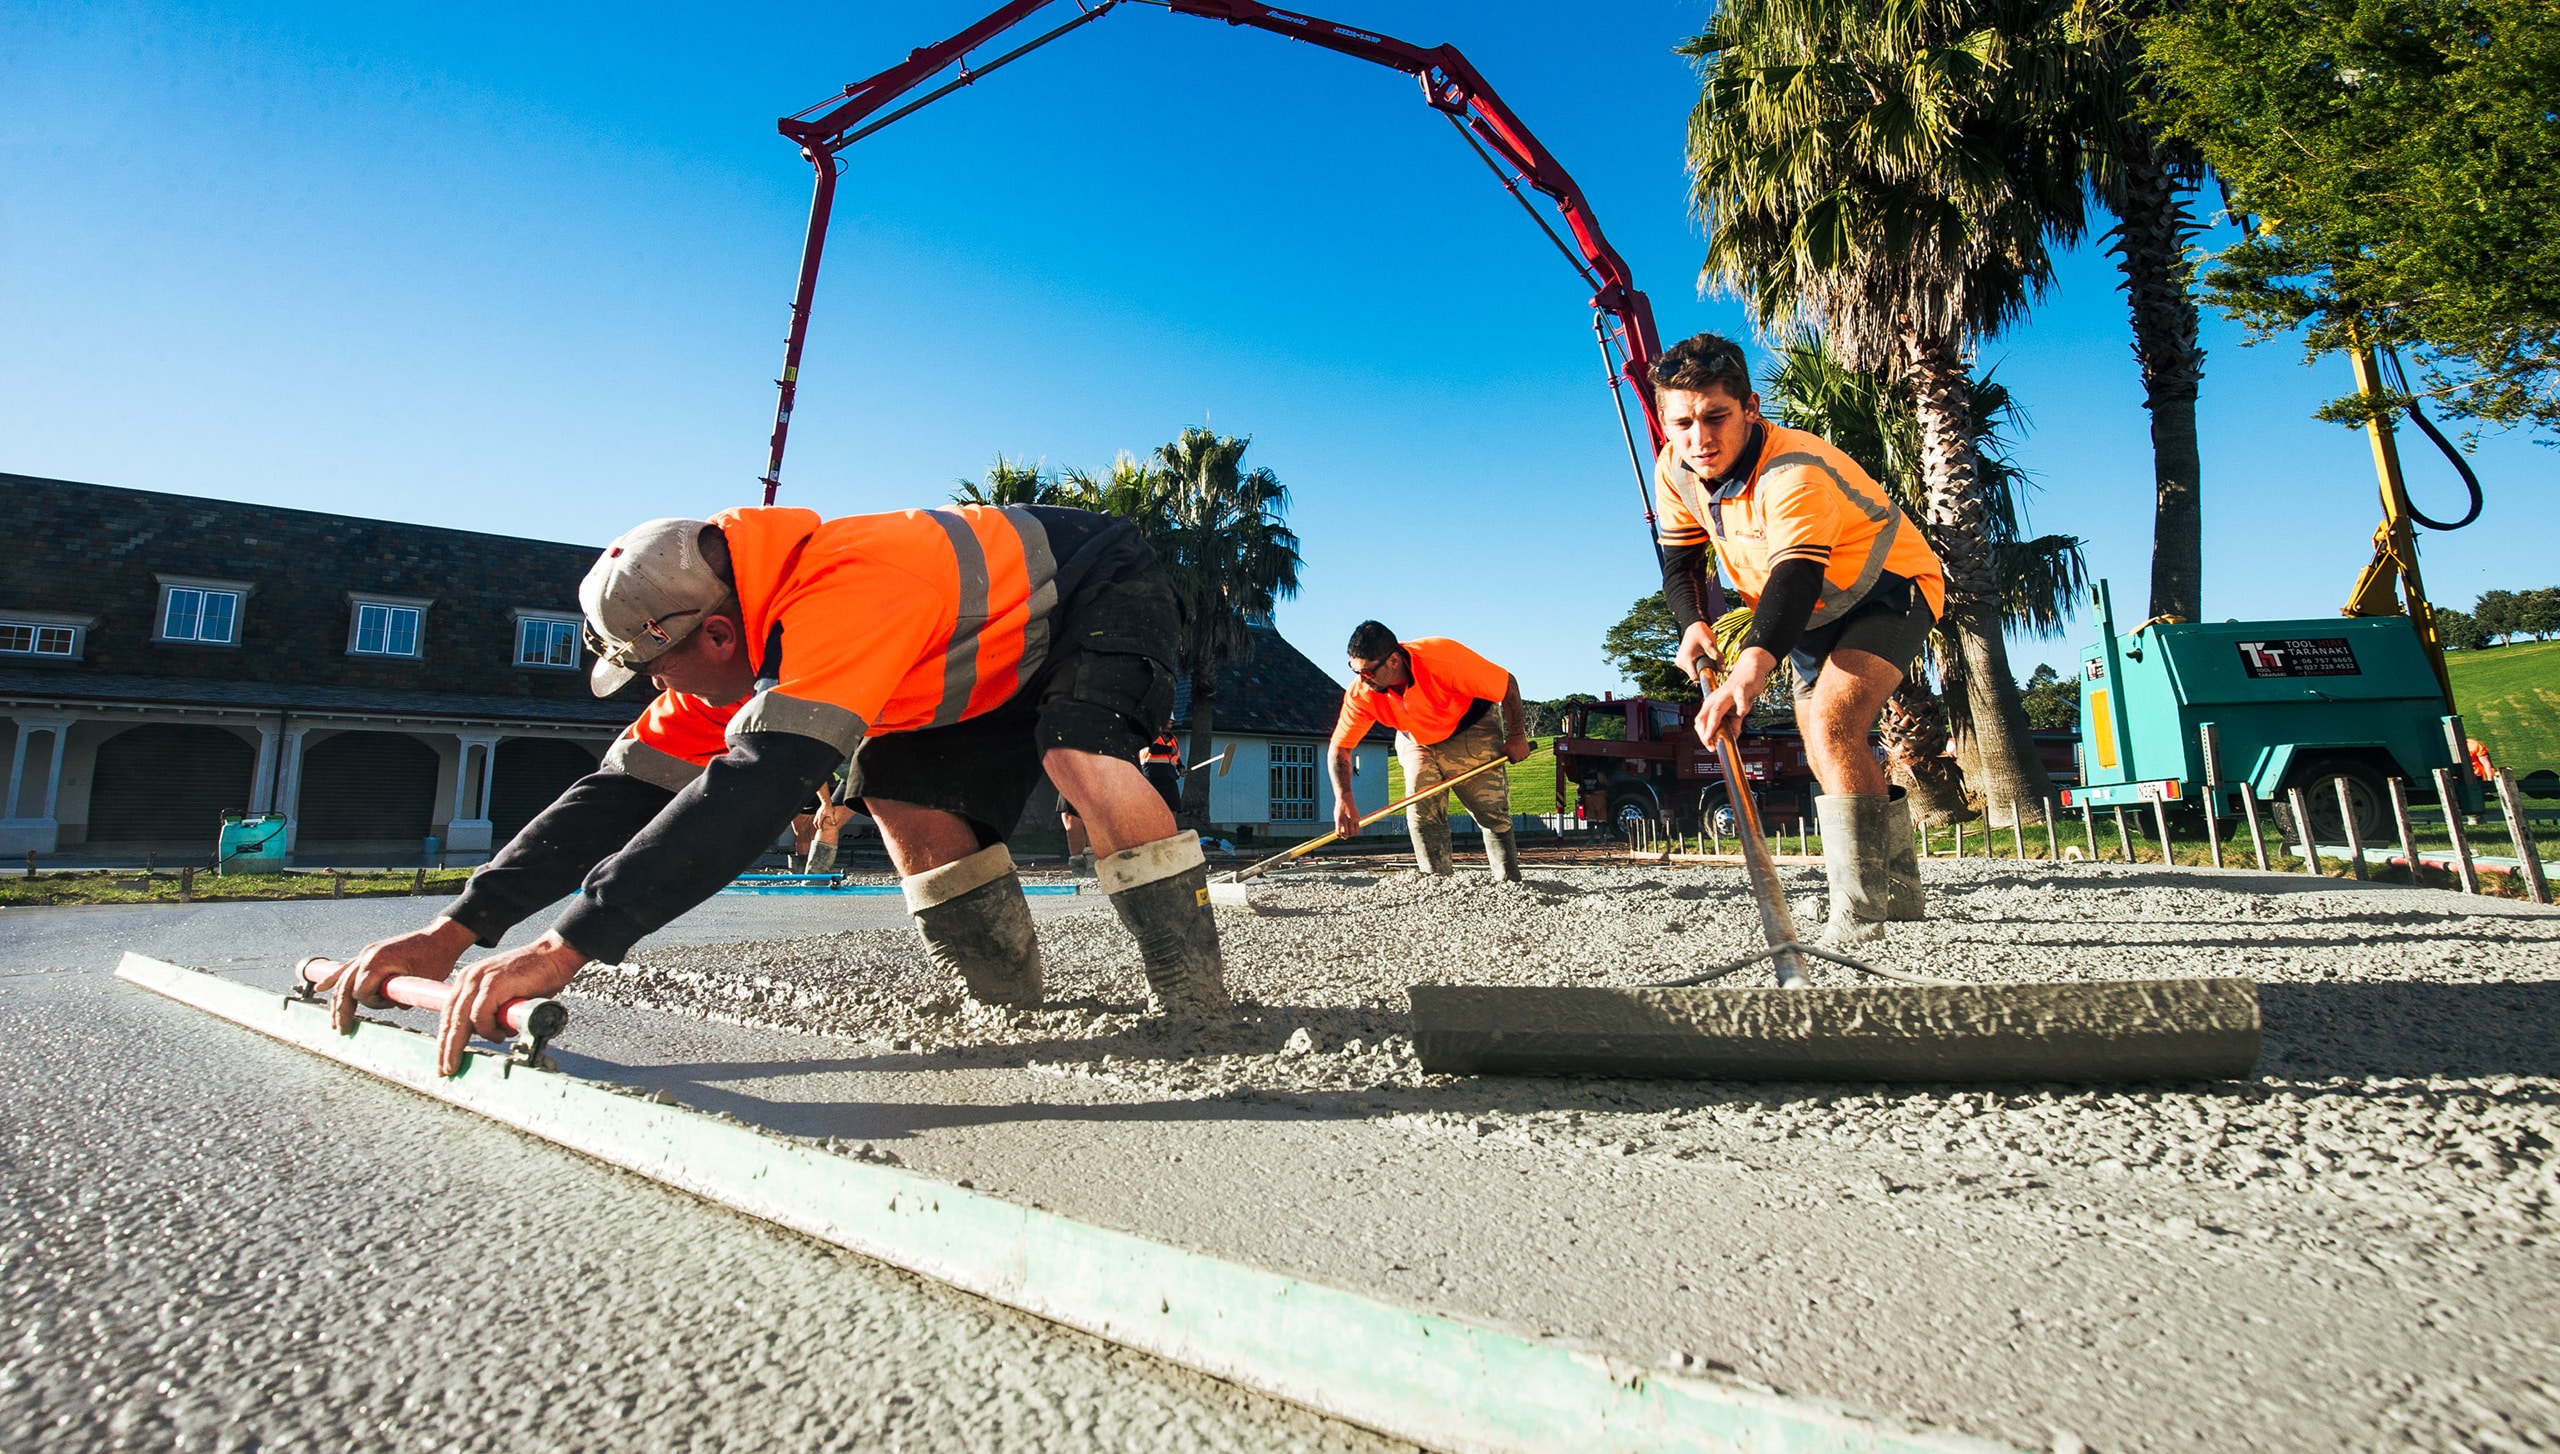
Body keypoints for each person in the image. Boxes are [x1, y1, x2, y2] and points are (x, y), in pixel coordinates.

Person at [324, 502, 1233, 1076]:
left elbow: (750, 793)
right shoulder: (747, 640)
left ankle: (1198, 1003)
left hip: (1088, 585)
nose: (655, 688)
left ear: (718, 636)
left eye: (656, 666)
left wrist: (559, 954)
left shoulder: (842, 597)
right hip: (962, 662)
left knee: (1080, 754)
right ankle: (1008, 996)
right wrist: (457, 930)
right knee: (904, 801)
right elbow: (619, 795)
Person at [1650, 332, 1948, 946]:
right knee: (1820, 748)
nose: (1699, 439)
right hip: (1807, 613)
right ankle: (1903, 893)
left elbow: (1796, 572)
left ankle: (1861, 912)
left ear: (1751, 407)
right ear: (1665, 420)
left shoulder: (1794, 469)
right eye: (1682, 423)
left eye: (1716, 417)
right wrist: (1691, 625)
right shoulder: (1675, 468)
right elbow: (1679, 562)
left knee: (1836, 724)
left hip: (1887, 588)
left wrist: (1750, 669)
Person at [1328, 622, 1531, 881]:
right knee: (1420, 809)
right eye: (1355, 671)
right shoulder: (1362, 694)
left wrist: (1517, 736)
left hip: (1470, 726)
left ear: (1393, 660)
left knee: (1489, 808)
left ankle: (1509, 883)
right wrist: (1343, 798)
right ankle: (1436, 885)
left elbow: (1507, 685)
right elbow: (1341, 747)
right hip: (1416, 737)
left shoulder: (1442, 657)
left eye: (1368, 672)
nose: (1362, 680)